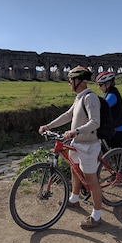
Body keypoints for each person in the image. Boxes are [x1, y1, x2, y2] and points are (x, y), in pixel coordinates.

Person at [38, 65, 103, 229]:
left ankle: (97, 215)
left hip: (88, 145)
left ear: (79, 81)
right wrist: (49, 126)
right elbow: (68, 115)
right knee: (74, 169)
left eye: (70, 80)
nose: (69, 83)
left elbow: (95, 122)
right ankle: (74, 199)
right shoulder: (79, 97)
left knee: (91, 179)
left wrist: (76, 131)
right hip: (78, 143)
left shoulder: (90, 98)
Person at [95, 71, 122, 148]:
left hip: (118, 129)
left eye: (100, 85)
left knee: (115, 152)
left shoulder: (112, 95)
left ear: (108, 84)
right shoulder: (106, 93)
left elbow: (102, 108)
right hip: (112, 127)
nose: (98, 87)